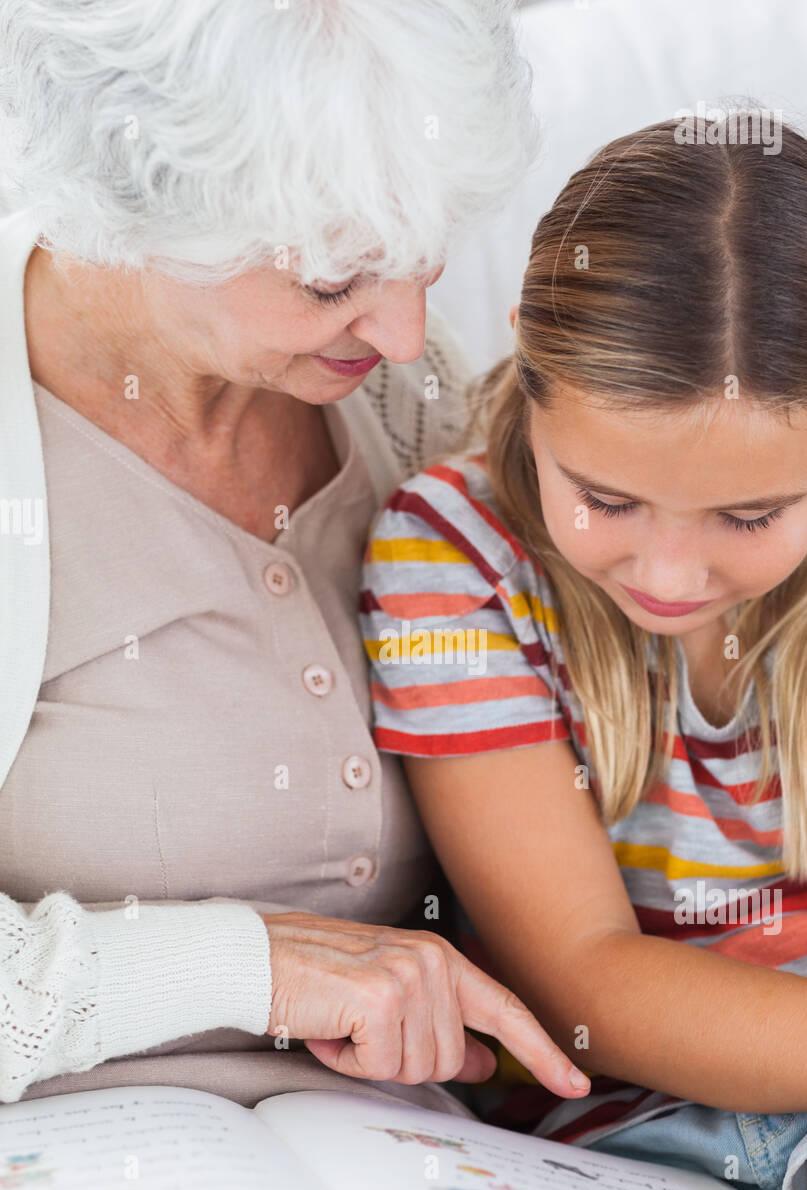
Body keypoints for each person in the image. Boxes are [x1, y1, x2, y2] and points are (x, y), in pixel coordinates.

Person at [0, 0, 590, 1114]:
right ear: (137, 206)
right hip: (79, 1171)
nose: (407, 335)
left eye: (422, 261)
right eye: (331, 284)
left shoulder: (403, 404)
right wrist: (256, 967)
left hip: (420, 1169)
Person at [360, 115, 807, 1190]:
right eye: (607, 499)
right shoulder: (455, 556)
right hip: (628, 1111)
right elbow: (584, 975)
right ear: (530, 384)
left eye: (750, 517)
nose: (670, 575)